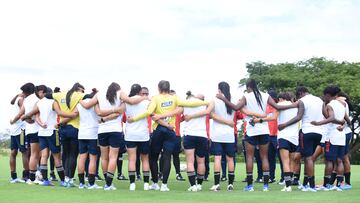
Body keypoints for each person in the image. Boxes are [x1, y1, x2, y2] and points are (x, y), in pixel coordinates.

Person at [127, 80, 208, 192]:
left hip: (158, 130)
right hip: (171, 130)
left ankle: (155, 183)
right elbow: (190, 103)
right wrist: (205, 103)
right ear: (169, 89)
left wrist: (134, 119)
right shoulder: (175, 98)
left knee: (153, 157)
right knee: (167, 157)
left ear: (159, 88)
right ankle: (164, 185)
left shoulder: (155, 98)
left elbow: (149, 112)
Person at [216, 79, 294, 192]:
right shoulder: (265, 95)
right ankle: (266, 186)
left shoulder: (246, 96)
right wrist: (293, 105)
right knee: (264, 157)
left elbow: (236, 108)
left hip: (251, 130)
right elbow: (277, 107)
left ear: (248, 87)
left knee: (249, 157)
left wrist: (223, 99)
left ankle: (250, 186)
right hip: (264, 129)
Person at [79, 82, 146, 191]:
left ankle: (107, 182)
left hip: (102, 130)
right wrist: (144, 98)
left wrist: (79, 100)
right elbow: (131, 101)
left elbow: (87, 106)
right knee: (113, 157)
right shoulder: (119, 93)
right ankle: (109, 184)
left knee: (104, 157)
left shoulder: (99, 95)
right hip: (115, 130)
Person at [277, 86, 344, 192]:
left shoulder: (302, 100)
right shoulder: (319, 100)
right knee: (310, 159)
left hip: (307, 131)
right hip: (319, 133)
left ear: (301, 93)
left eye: (298, 95)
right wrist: (340, 123)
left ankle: (311, 185)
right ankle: (305, 183)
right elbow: (327, 116)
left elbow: (299, 117)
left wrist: (284, 124)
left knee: (308, 159)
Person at [46, 82, 85, 187]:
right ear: (79, 89)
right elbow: (90, 96)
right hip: (74, 128)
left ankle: (66, 178)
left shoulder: (60, 94)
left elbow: (47, 95)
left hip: (62, 129)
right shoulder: (78, 95)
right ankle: (70, 179)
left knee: (65, 154)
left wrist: (57, 101)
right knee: (73, 155)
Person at [311, 86, 348, 191]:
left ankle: (327, 185)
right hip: (341, 136)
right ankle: (339, 185)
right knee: (339, 161)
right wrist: (342, 125)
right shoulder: (342, 104)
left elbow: (330, 118)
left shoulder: (330, 105)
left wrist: (318, 123)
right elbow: (344, 120)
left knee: (329, 161)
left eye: (324, 95)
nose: (323, 97)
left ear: (328, 95)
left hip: (331, 137)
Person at [11, 83, 41, 184]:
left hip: (26, 130)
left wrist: (15, 120)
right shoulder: (34, 99)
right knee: (29, 153)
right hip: (28, 130)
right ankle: (29, 176)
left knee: (30, 153)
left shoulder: (25, 99)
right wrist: (27, 118)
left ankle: (25, 176)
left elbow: (20, 114)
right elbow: (28, 113)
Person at [124, 84, 151, 191]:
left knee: (132, 159)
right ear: (140, 92)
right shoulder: (146, 101)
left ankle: (132, 184)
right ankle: (145, 184)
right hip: (143, 134)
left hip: (130, 134)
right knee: (145, 159)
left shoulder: (127, 101)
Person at [76, 88, 103, 189]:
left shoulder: (79, 104)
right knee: (93, 158)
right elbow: (100, 117)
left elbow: (74, 114)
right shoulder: (95, 104)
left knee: (82, 157)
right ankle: (91, 183)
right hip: (93, 133)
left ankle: (82, 183)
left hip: (82, 133)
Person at [277, 92, 299, 192]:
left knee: (285, 162)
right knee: (291, 162)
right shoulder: (296, 106)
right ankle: (289, 184)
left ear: (281, 98)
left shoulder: (280, 105)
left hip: (283, 136)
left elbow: (273, 116)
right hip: (294, 137)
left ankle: (288, 186)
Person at [9, 91, 28, 183]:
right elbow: (22, 113)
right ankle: (26, 176)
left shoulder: (16, 99)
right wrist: (14, 120)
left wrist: (16, 95)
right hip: (20, 130)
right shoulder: (21, 100)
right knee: (24, 152)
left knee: (13, 152)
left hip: (13, 130)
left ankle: (13, 176)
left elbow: (11, 102)